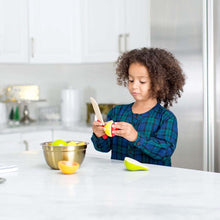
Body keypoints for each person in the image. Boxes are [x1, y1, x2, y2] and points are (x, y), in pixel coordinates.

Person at [91, 48, 185, 166]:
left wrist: (136, 137)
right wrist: (99, 134)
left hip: (154, 180)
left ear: (159, 85)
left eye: (142, 81)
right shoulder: (117, 112)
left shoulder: (166, 118)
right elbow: (103, 148)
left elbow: (165, 151)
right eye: (131, 80)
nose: (134, 86)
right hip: (120, 179)